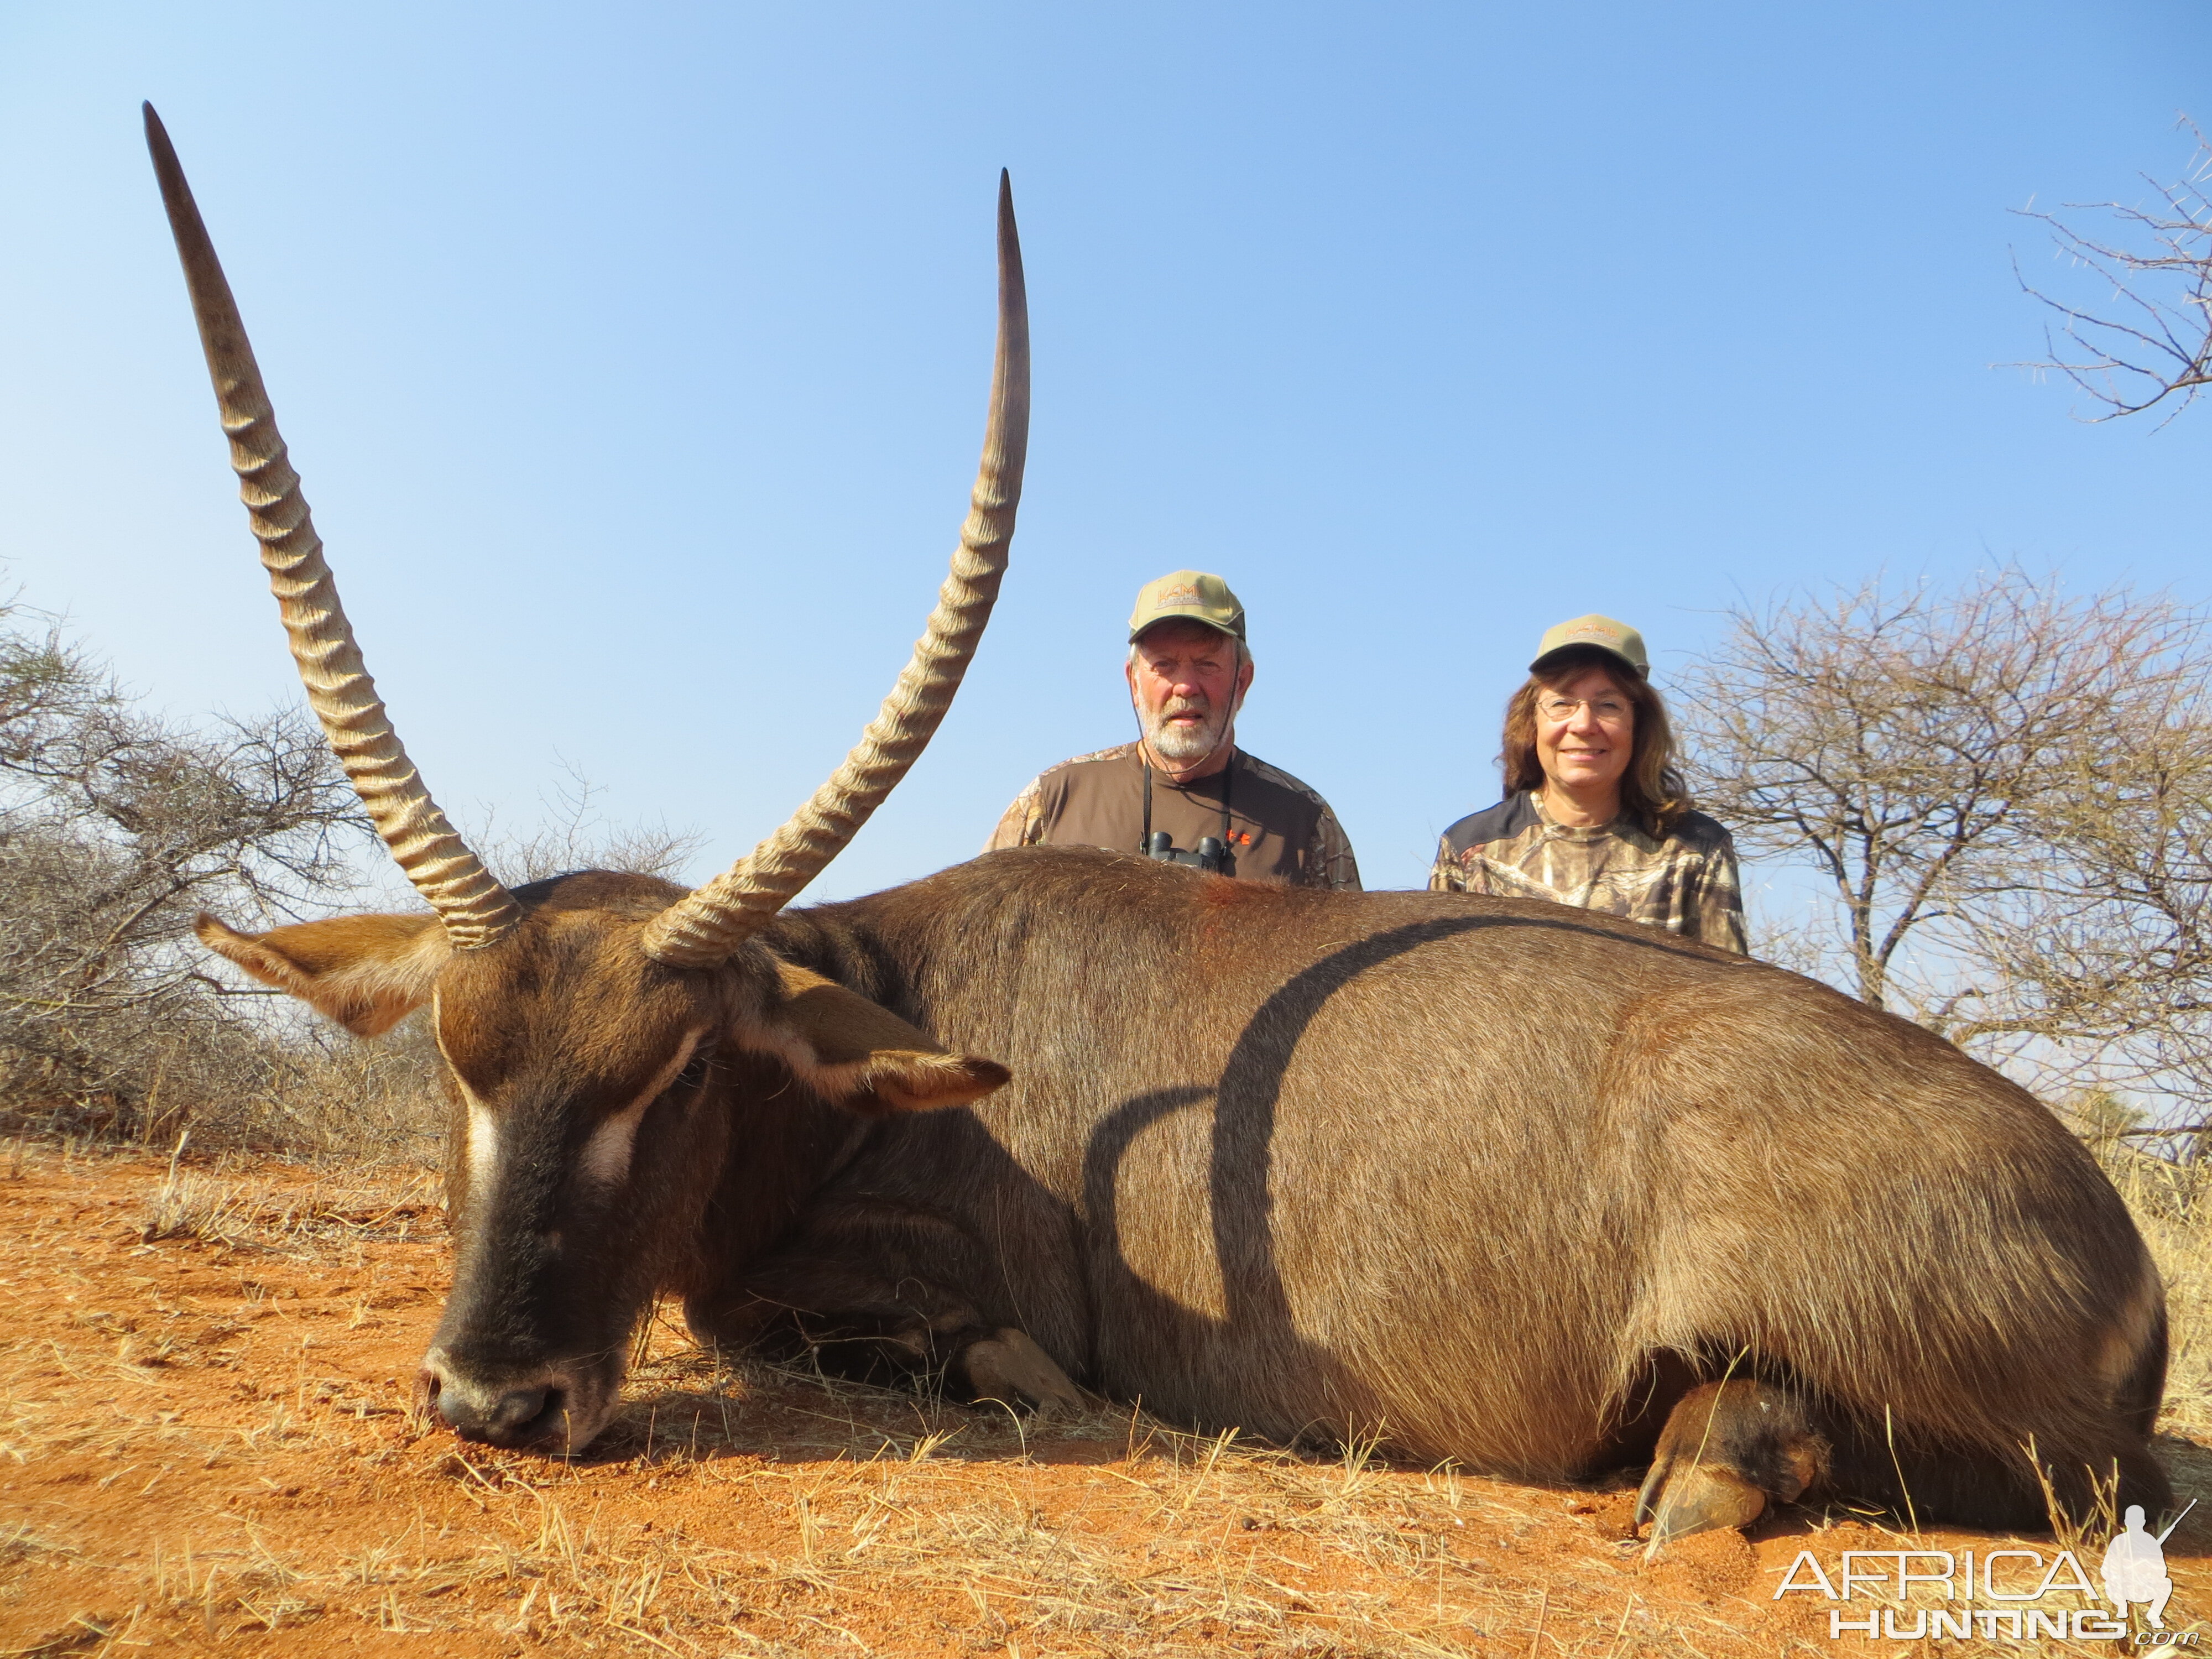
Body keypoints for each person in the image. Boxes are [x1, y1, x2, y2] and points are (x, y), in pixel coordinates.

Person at [987, 570, 1361, 889]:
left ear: (1242, 682)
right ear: (1134, 682)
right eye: (1164, 666)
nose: (1185, 687)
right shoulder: (1055, 801)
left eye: (1207, 664)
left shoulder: (1305, 822)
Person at [1430, 613, 1745, 951]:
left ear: (1639, 726)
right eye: (1561, 703)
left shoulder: (1698, 848)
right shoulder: (1469, 848)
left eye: (1608, 705)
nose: (1583, 724)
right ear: (1531, 722)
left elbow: (1728, 996)